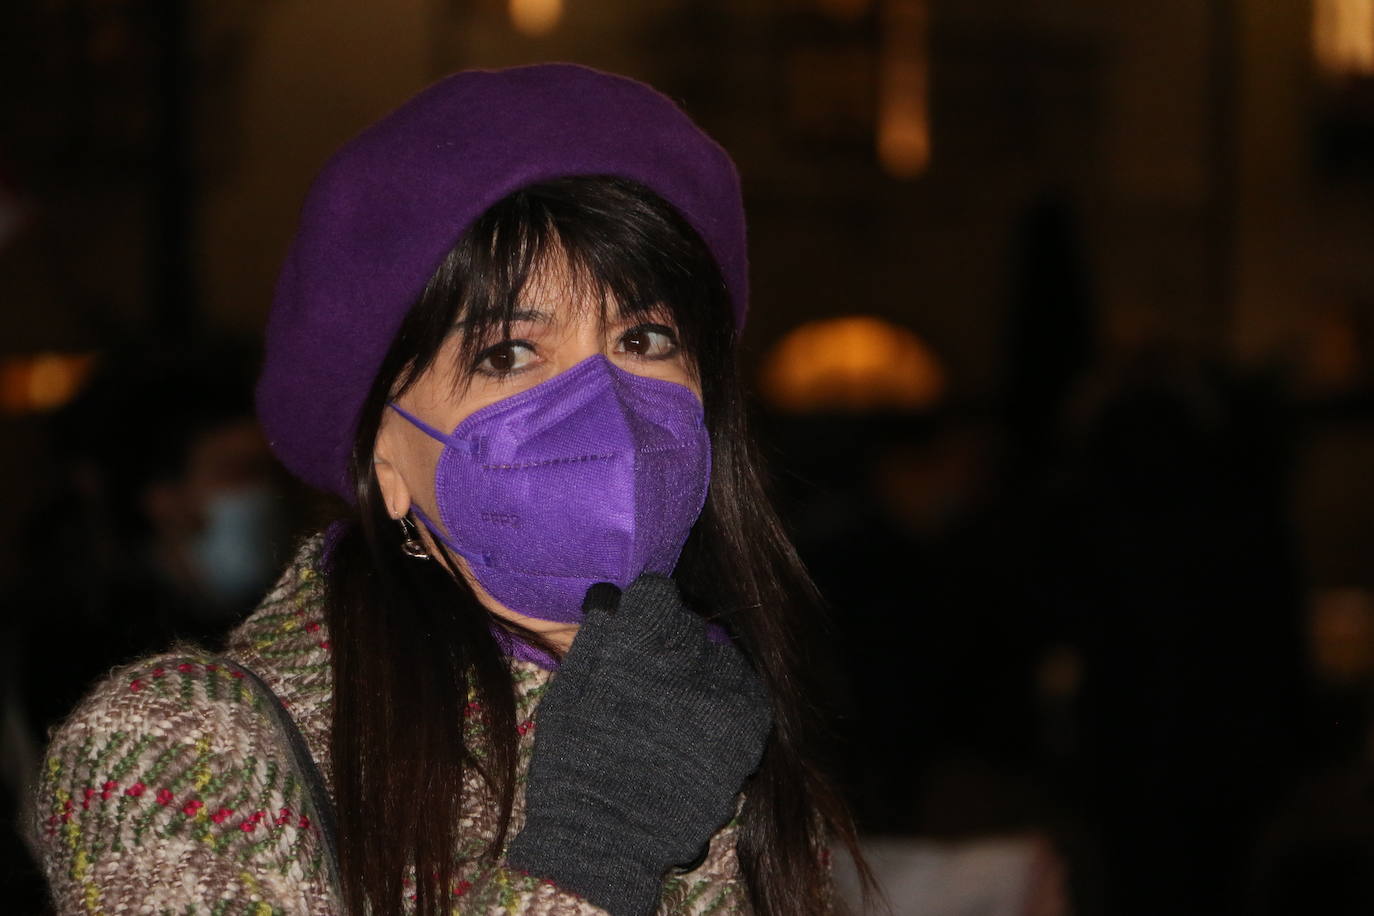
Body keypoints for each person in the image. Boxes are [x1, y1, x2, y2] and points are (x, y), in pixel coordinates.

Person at [32, 64, 861, 915]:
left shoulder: (721, 731)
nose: (605, 407)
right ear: (385, 456)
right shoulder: (176, 747)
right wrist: (588, 860)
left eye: (644, 337)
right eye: (508, 354)